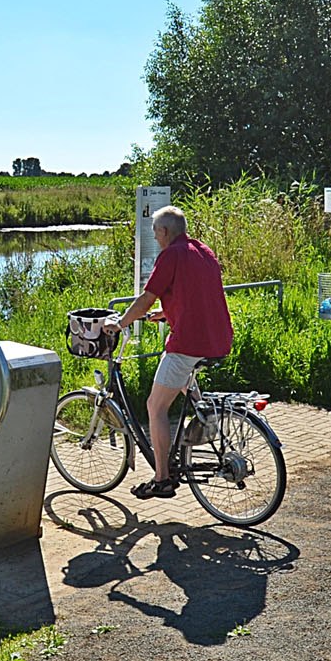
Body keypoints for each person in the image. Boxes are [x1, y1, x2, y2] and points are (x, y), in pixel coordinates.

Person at [103, 206, 233, 499]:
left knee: (155, 407)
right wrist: (168, 311)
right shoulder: (204, 251)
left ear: (164, 232)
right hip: (219, 338)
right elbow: (197, 295)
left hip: (189, 343)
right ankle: (205, 421)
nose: (155, 237)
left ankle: (162, 479)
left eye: (155, 232)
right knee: (185, 387)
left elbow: (146, 297)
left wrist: (121, 322)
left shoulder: (170, 255)